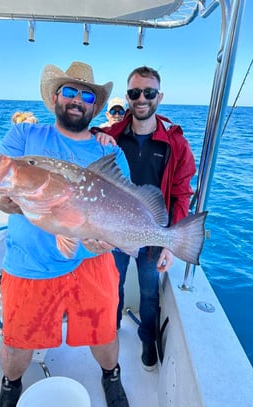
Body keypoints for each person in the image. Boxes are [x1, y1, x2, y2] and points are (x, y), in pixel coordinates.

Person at [0, 61, 130, 407]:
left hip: (91, 260)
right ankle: (10, 385)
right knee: (17, 340)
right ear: (55, 97)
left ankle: (111, 376)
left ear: (95, 106)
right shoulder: (25, 137)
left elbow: (123, 209)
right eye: (70, 91)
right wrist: (9, 200)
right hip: (29, 260)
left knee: (104, 331)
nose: (77, 100)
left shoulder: (108, 149)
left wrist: (109, 241)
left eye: (86, 95)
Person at [94, 66, 196, 371]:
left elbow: (182, 194)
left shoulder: (176, 144)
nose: (142, 98)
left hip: (153, 234)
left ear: (159, 97)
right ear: (127, 97)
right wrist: (96, 135)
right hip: (113, 234)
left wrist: (172, 243)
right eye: (135, 92)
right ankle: (110, 329)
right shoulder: (110, 136)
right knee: (112, 285)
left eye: (149, 93)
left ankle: (148, 338)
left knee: (150, 292)